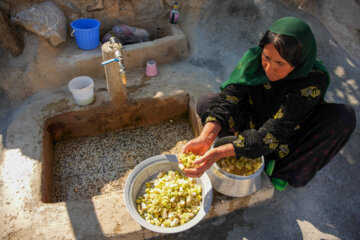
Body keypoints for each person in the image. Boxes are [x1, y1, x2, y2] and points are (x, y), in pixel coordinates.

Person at [180, 16, 356, 191]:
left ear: (298, 63)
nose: (269, 69)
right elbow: (229, 98)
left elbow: (276, 131)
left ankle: (282, 170)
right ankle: (247, 149)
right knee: (207, 103)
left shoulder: (313, 80)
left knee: (343, 118)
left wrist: (220, 152)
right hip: (254, 118)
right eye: (267, 57)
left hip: (290, 131)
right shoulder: (253, 59)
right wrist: (206, 138)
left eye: (280, 63)